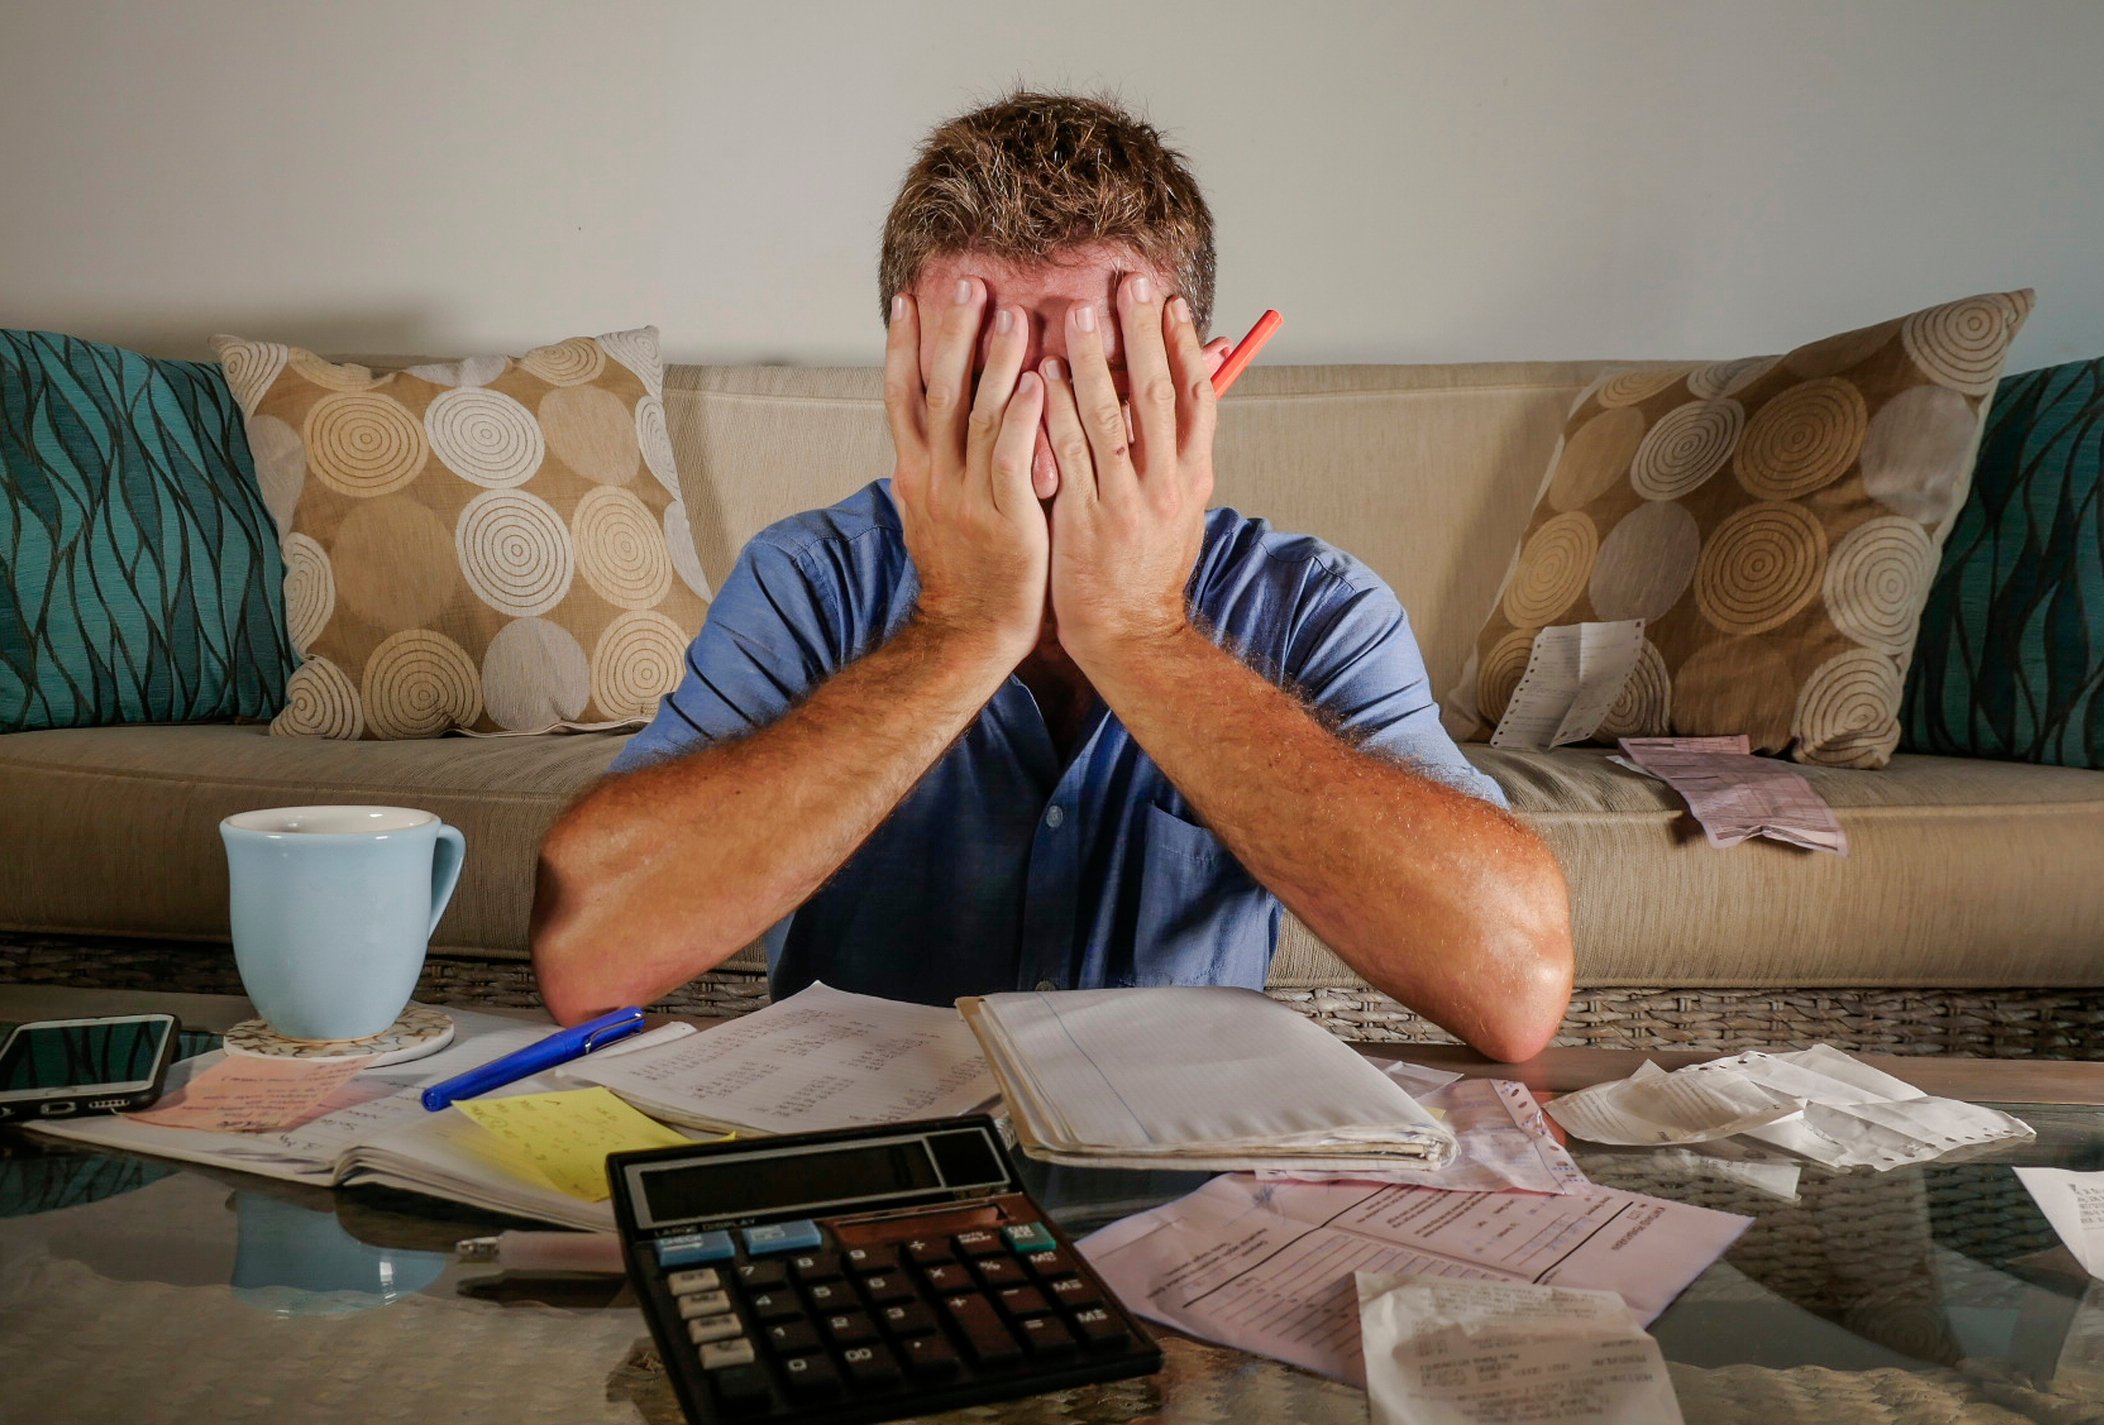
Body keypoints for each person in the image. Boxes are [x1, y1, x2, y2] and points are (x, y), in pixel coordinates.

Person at [532, 91, 1574, 1060]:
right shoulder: (811, 581)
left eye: (1095, 369)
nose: (1032, 438)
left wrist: (1142, 635)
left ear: (1203, 386)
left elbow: (1516, 991)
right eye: (981, 368)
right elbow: (590, 959)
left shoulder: (1313, 603)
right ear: (906, 377)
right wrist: (962, 627)